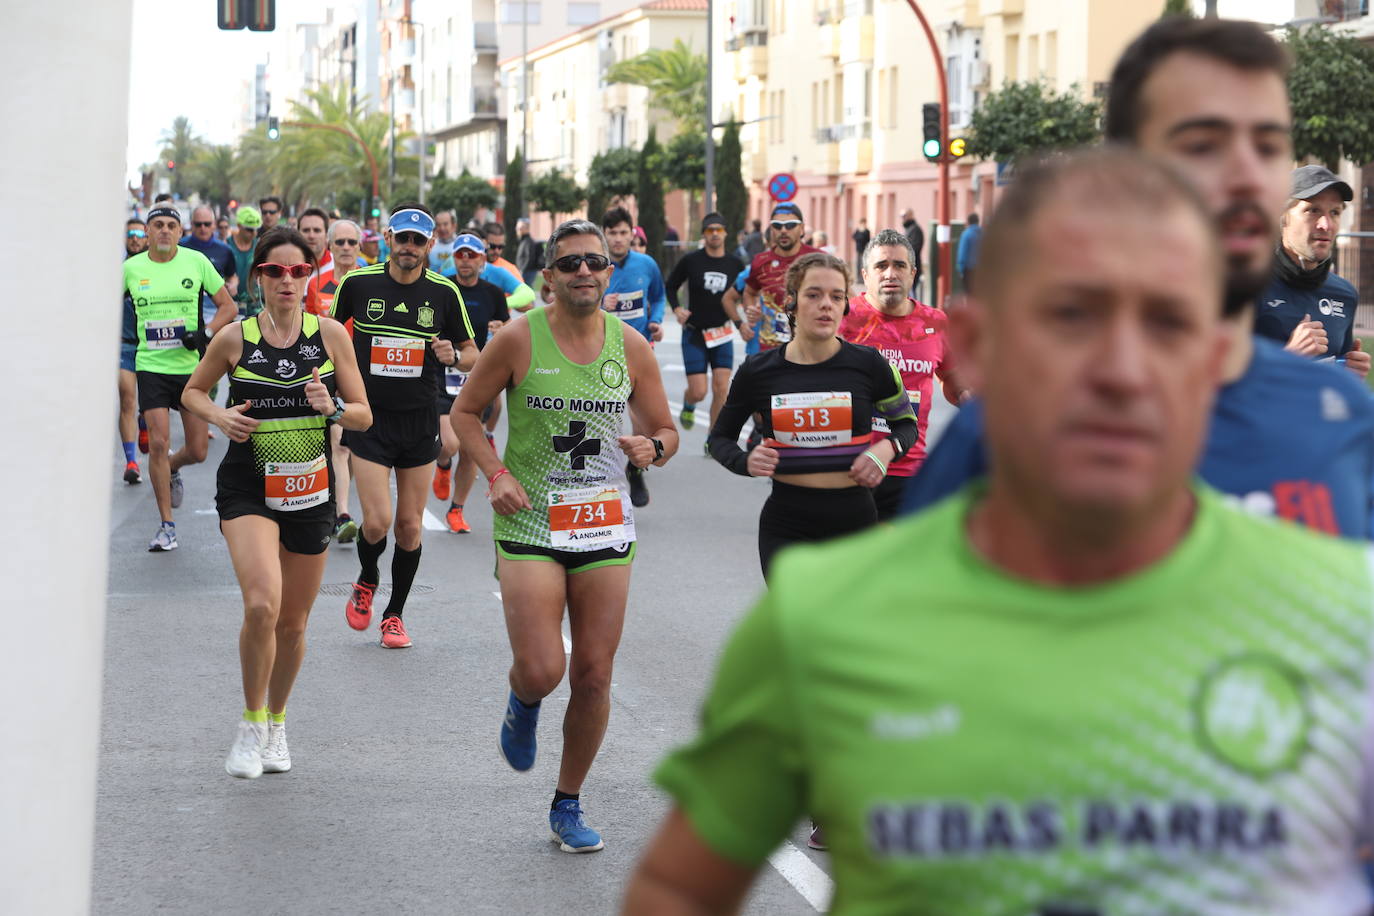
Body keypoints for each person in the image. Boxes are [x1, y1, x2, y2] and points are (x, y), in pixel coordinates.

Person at [628, 145, 1374, 916]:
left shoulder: (1332, 611)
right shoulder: (824, 620)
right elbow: (677, 890)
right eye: (1074, 318)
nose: (1123, 366)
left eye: (1166, 321)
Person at [903, 16, 1374, 540]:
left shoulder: (1343, 415)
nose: (1245, 174)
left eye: (1267, 146)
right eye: (1204, 144)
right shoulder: (1032, 425)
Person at [452, 218, 678, 854]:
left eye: (595, 263)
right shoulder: (520, 340)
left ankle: (568, 800)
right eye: (570, 262)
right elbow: (464, 413)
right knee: (545, 668)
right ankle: (523, 700)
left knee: (596, 675)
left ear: (611, 273)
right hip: (529, 519)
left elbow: (666, 429)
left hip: (603, 521)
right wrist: (493, 472)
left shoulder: (630, 347)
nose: (584, 272)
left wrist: (652, 445)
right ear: (548, 276)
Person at [181, 227, 372, 780]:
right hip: (248, 485)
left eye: (297, 271)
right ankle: (249, 722)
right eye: (275, 271)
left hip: (310, 491)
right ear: (259, 276)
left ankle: (278, 720)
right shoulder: (235, 339)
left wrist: (332, 405)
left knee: (292, 623)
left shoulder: (331, 336)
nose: (287, 281)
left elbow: (363, 415)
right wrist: (220, 417)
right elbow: (193, 392)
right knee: (262, 604)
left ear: (309, 276)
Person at [709, 249, 916, 580]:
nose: (826, 305)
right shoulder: (758, 371)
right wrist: (743, 461)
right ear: (791, 301)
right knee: (797, 626)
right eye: (814, 294)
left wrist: (885, 449)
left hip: (855, 523)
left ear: (845, 305)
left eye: (836, 296)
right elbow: (718, 439)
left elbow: (907, 426)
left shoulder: (870, 365)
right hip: (788, 525)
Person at [329, 203, 477, 648]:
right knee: (377, 521)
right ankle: (368, 577)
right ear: (387, 239)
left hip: (419, 420)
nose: (409, 247)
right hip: (369, 418)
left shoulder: (444, 292)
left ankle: (394, 616)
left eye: (418, 240)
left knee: (409, 527)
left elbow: (473, 353)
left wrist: (454, 355)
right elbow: (326, 335)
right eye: (402, 238)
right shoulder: (357, 283)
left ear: (430, 244)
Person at [123, 203, 238, 551]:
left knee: (199, 450)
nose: (164, 231)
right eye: (157, 225)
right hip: (151, 365)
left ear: (179, 230)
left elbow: (228, 306)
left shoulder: (195, 262)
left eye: (171, 225)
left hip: (190, 368)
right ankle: (166, 526)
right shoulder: (130, 269)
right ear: (146, 232)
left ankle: (171, 466)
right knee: (157, 442)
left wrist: (204, 333)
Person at [840, 228, 969, 520]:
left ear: (913, 273)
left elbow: (951, 377)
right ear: (865, 274)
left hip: (907, 467)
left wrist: (966, 395)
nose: (890, 273)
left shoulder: (935, 322)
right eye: (881, 266)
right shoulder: (844, 318)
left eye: (899, 265)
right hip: (849, 465)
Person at [1255, 165, 1371, 379]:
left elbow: (1332, 380)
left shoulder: (1345, 294)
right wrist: (1289, 357)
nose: (1325, 225)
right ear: (1283, 218)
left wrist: (1349, 373)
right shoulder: (1245, 285)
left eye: (1334, 212)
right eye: (1313, 210)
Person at [434, 232, 510, 533]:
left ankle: (457, 509)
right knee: (449, 444)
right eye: (460, 255)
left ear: (482, 260)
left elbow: (504, 327)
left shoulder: (491, 293)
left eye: (472, 255)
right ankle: (441, 465)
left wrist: (499, 326)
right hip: (443, 374)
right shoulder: (443, 288)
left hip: (476, 376)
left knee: (471, 449)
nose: (465, 261)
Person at [601, 206, 669, 507]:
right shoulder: (595, 267)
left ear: (632, 233)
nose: (618, 239)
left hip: (639, 350)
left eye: (623, 232)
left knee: (641, 419)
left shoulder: (647, 264)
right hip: (602, 350)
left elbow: (658, 295)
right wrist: (602, 303)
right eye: (612, 233)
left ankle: (636, 469)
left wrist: (656, 320)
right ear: (605, 235)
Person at [306, 219, 366, 541]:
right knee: (340, 445)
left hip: (367, 374)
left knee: (353, 448)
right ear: (330, 246)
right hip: (331, 372)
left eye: (351, 243)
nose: (345, 248)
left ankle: (337, 500)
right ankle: (342, 514)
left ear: (360, 246)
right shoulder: (317, 283)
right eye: (339, 242)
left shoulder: (372, 281)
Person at [665, 212, 744, 434]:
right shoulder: (691, 260)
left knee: (721, 389)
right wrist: (677, 309)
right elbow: (671, 285)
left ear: (726, 233)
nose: (715, 234)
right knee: (699, 391)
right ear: (704, 234)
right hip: (695, 333)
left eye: (719, 229)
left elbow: (748, 291)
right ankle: (689, 403)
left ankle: (713, 438)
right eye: (710, 230)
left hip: (722, 333)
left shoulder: (735, 264)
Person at [742, 202, 820, 352]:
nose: (783, 230)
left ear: (802, 229)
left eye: (790, 225)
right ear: (771, 230)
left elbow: (845, 296)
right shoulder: (761, 261)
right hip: (770, 348)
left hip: (809, 348)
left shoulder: (819, 259)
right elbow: (749, 292)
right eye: (777, 225)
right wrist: (751, 310)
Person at [119, 218, 148, 484]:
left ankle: (144, 423)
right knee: (128, 400)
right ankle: (131, 462)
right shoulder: (118, 271)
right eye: (131, 234)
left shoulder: (156, 269)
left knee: (149, 405)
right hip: (125, 345)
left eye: (140, 233)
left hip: (152, 348)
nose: (135, 238)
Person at [180, 205, 238, 326]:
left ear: (214, 225)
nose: (203, 228)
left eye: (207, 224)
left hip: (215, 313)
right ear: (191, 224)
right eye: (198, 224)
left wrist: (233, 285)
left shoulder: (225, 250)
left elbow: (231, 275)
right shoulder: (180, 247)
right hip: (186, 312)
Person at [227, 207, 263, 317]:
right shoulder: (226, 246)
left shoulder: (260, 246)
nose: (254, 233)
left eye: (256, 229)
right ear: (239, 226)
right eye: (249, 229)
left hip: (255, 307)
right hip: (231, 305)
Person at [297, 207, 332, 277]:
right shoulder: (288, 266)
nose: (311, 236)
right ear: (297, 233)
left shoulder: (338, 267)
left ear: (326, 235)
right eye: (306, 230)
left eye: (317, 230)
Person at [427, 209, 460, 278]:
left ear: (454, 226)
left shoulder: (460, 246)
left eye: (445, 224)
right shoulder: (430, 245)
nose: (442, 228)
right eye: (438, 225)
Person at [900, 207, 926, 294]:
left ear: (911, 215)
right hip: (908, 268)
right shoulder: (909, 229)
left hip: (913, 268)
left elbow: (914, 249)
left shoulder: (915, 230)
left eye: (904, 216)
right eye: (901, 216)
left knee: (911, 294)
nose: (902, 218)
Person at [956, 211, 982, 291]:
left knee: (969, 295)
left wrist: (960, 269)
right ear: (978, 221)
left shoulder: (966, 234)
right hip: (982, 270)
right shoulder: (984, 233)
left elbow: (962, 254)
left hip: (969, 271)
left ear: (968, 222)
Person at [515, 217, 541, 287]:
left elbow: (529, 258)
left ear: (526, 229)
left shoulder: (528, 241)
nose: (517, 230)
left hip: (528, 272)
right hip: (525, 271)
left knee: (526, 291)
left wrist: (522, 270)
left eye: (519, 228)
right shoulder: (524, 241)